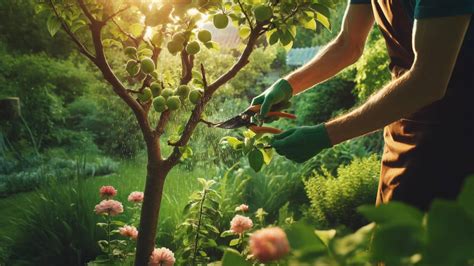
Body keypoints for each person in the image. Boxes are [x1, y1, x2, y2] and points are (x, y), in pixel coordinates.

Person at [252, 0, 473, 210]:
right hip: (402, 124)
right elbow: (348, 43)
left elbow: (428, 82)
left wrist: (325, 135)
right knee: (391, 236)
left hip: (456, 136)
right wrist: (287, 85)